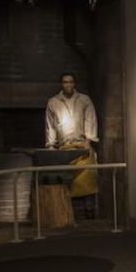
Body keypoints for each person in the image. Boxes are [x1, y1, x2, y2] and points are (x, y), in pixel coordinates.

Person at [45, 72, 99, 218]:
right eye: (65, 82)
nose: (68, 84)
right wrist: (50, 145)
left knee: (87, 181)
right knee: (66, 183)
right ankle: (67, 215)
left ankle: (90, 213)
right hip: (64, 148)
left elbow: (90, 119)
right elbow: (50, 125)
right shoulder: (53, 102)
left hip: (82, 147)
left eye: (70, 82)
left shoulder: (84, 100)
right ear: (61, 84)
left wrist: (89, 140)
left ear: (74, 83)